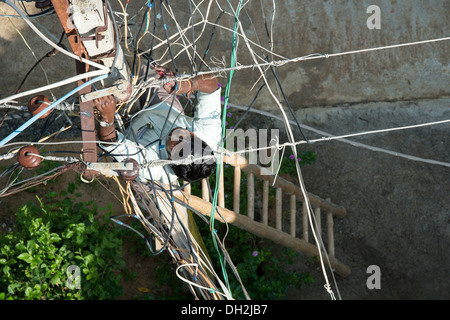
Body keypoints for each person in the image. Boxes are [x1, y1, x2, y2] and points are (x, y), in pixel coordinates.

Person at [94, 62, 222, 186]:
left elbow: (111, 143)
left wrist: (107, 117)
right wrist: (185, 85)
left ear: (170, 162)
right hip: (161, 108)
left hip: (127, 131)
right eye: (190, 136)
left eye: (177, 144)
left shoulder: (153, 168)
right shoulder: (209, 134)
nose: (179, 134)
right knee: (145, 68)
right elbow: (212, 86)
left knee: (101, 95)